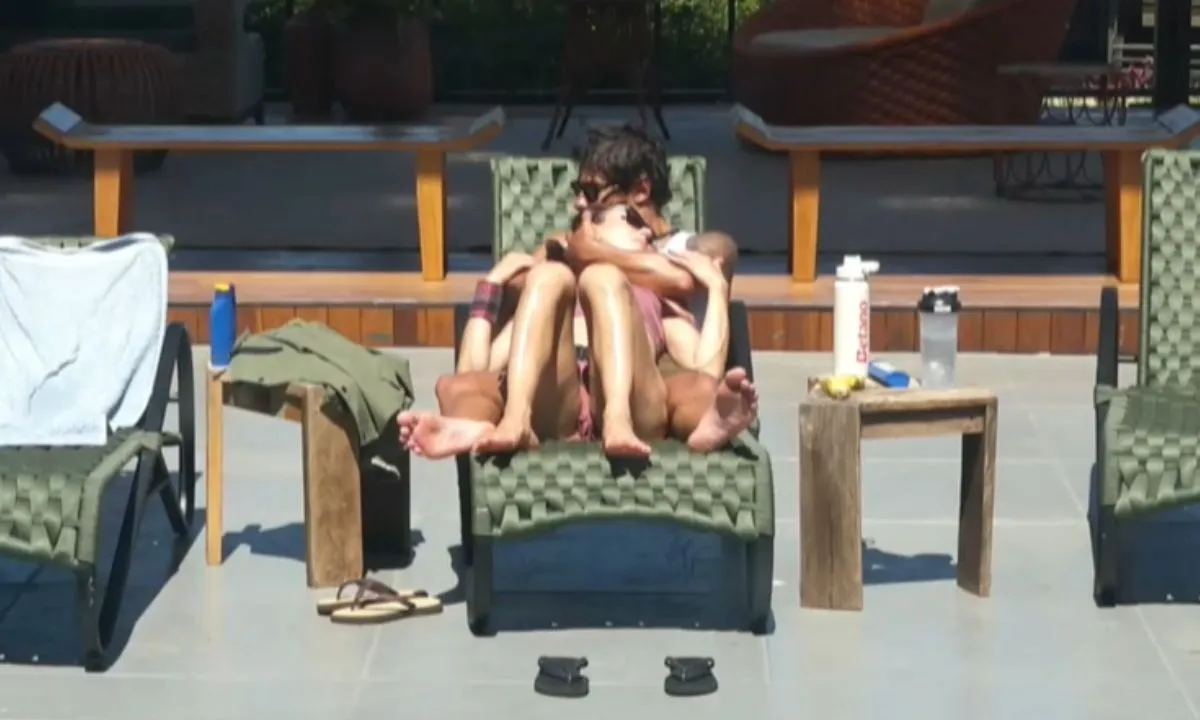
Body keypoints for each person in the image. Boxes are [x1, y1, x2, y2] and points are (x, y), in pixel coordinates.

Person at [399, 205, 757, 458]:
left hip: (633, 403)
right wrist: (491, 285)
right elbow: (473, 370)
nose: (648, 232)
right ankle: (506, 421)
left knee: (605, 280)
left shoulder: (654, 298)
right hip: (557, 400)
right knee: (547, 278)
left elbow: (706, 368)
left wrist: (717, 287)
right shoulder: (548, 292)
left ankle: (680, 424)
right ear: (591, 230)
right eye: (632, 220)